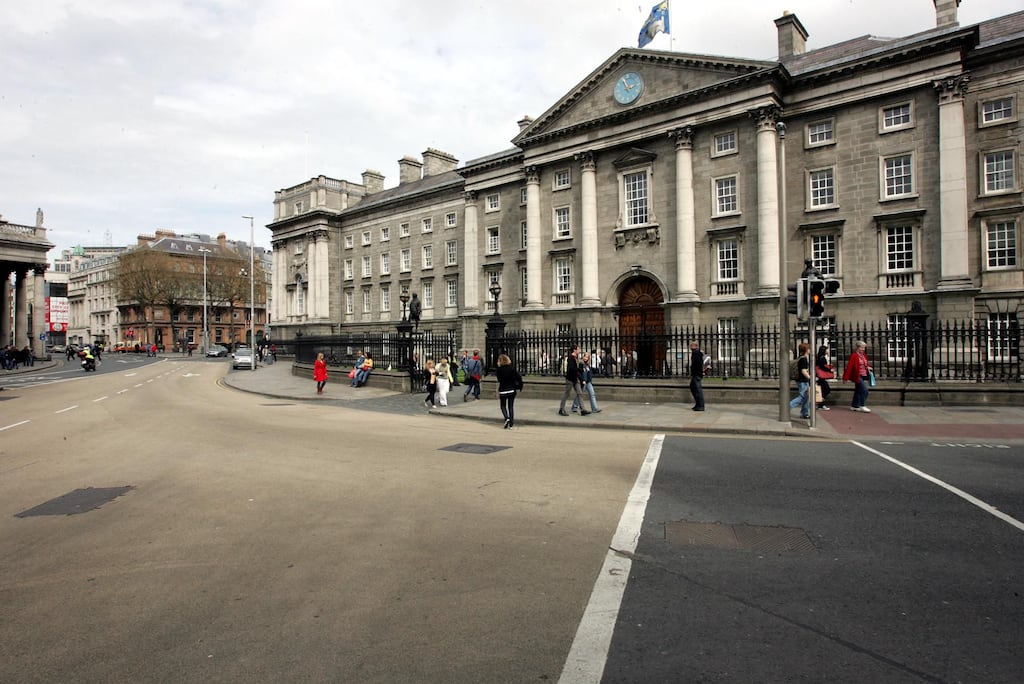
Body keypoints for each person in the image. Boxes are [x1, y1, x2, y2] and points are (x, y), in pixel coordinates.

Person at [843, 340, 873, 412]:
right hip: (857, 376)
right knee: (864, 390)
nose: (863, 349)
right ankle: (862, 405)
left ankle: (854, 406)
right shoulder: (854, 356)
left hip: (863, 375)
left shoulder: (864, 355)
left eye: (864, 348)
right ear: (858, 347)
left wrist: (868, 367)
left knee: (858, 391)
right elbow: (849, 367)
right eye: (862, 347)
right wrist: (845, 378)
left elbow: (865, 364)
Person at [558, 345, 588, 416]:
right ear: (574, 350)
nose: (579, 350)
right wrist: (580, 369)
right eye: (578, 349)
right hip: (570, 379)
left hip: (575, 378)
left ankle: (583, 409)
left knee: (580, 393)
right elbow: (571, 369)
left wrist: (580, 377)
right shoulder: (571, 358)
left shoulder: (575, 358)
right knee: (566, 394)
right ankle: (561, 409)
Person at [495, 353, 523, 429]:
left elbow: (499, 379)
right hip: (511, 389)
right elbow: (519, 377)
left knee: (503, 406)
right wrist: (520, 386)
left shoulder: (499, 370)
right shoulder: (512, 368)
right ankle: (511, 424)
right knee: (511, 406)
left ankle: (506, 417)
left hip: (503, 390)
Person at [789, 342, 812, 419]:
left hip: (801, 380)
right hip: (803, 380)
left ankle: (804, 413)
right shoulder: (804, 359)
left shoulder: (800, 358)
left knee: (805, 397)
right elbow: (803, 370)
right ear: (806, 350)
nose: (810, 350)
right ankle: (788, 407)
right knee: (803, 397)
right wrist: (809, 377)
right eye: (809, 348)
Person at [815, 345, 834, 410]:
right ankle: (821, 403)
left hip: (818, 376)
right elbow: (823, 367)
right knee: (826, 389)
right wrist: (830, 370)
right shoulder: (822, 358)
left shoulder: (819, 357)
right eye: (827, 349)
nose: (828, 351)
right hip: (820, 377)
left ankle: (820, 403)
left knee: (823, 390)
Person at [689, 340, 706, 412]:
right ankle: (697, 404)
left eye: (691, 345)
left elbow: (698, 364)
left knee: (698, 390)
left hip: (697, 374)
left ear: (695, 346)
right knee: (693, 388)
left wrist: (700, 373)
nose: (690, 347)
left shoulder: (696, 353)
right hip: (696, 374)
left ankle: (700, 406)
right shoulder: (696, 353)